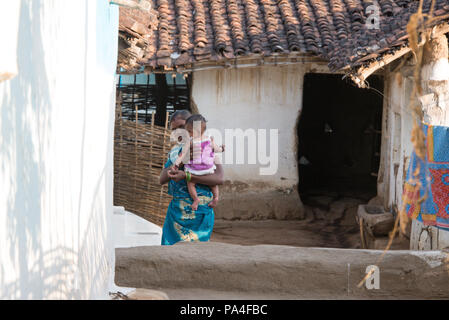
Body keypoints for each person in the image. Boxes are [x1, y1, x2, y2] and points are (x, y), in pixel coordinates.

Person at [159, 110, 224, 245]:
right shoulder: (176, 153)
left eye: (182, 127)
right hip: (177, 213)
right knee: (171, 256)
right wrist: (181, 161)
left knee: (198, 256)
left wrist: (188, 176)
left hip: (200, 212)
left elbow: (219, 179)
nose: (179, 133)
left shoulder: (208, 149)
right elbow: (162, 179)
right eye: (174, 130)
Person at [172, 114, 224, 210]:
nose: (188, 133)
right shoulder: (209, 139)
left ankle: (196, 200)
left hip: (195, 169)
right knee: (213, 184)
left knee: (191, 183)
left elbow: (182, 154)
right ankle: (216, 197)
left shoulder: (190, 142)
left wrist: (176, 164)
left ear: (195, 131)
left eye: (189, 131)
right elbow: (216, 149)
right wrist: (222, 148)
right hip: (208, 168)